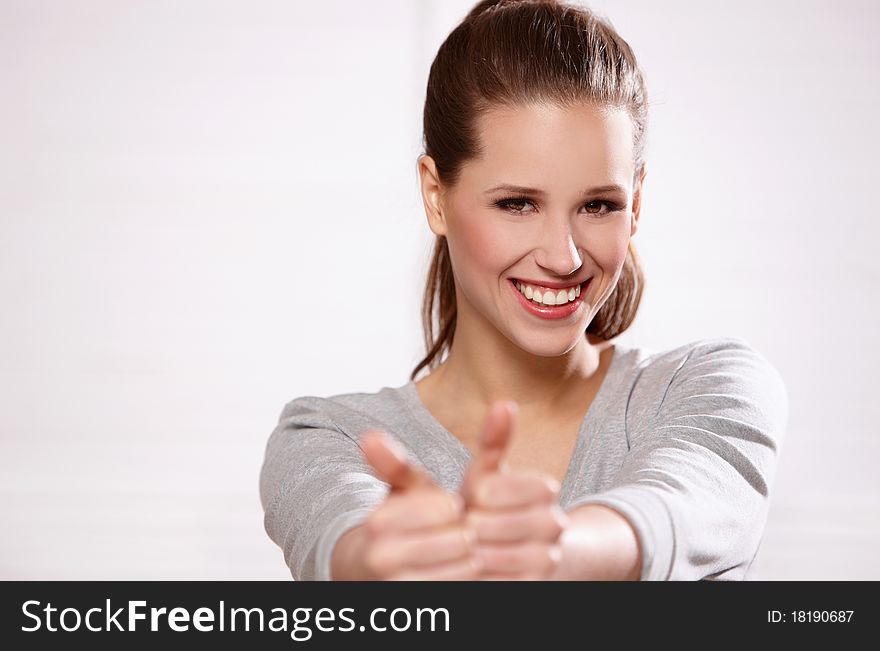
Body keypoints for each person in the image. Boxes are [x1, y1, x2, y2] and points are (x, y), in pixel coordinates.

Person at [259, 0, 789, 581]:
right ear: (435, 194)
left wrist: (558, 552)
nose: (562, 258)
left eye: (598, 205)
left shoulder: (712, 387)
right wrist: (389, 561)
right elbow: (348, 544)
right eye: (517, 204)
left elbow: (674, 512)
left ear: (636, 202)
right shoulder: (328, 438)